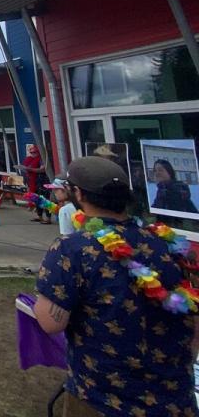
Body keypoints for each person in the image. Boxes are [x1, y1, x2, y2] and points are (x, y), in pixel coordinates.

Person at [34, 157, 199, 417]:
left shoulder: (74, 249)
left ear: (78, 194)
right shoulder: (167, 243)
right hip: (175, 397)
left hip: (101, 398)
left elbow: (51, 322)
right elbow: (191, 312)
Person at [20, 144, 50, 224]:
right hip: (34, 182)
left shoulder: (42, 159)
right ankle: (39, 216)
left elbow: (42, 170)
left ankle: (48, 218)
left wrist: (29, 169)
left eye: (34, 152)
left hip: (43, 182)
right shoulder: (30, 160)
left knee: (44, 200)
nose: (32, 154)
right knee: (37, 199)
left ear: (38, 152)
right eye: (31, 152)